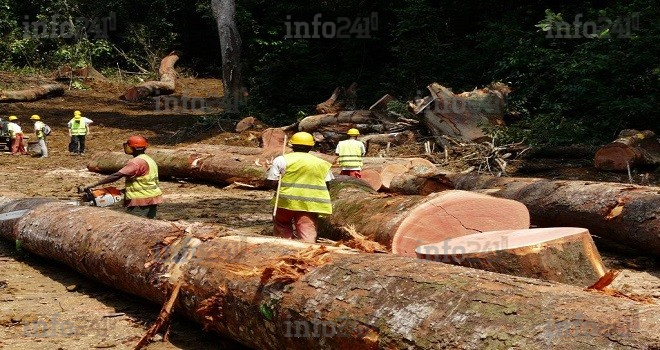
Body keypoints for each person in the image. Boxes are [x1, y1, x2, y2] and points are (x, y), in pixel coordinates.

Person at [266, 132, 334, 243]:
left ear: (291, 145)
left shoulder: (281, 160)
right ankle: (307, 250)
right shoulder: (322, 163)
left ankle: (285, 246)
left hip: (285, 201)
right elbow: (327, 185)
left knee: (282, 225)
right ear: (312, 146)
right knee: (307, 229)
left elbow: (272, 182)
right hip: (310, 204)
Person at [84, 135, 163, 219]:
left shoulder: (135, 162)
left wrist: (95, 184)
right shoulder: (149, 159)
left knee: (134, 225)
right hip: (153, 197)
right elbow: (145, 179)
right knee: (149, 225)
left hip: (140, 200)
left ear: (133, 147)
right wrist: (125, 190)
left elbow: (117, 175)